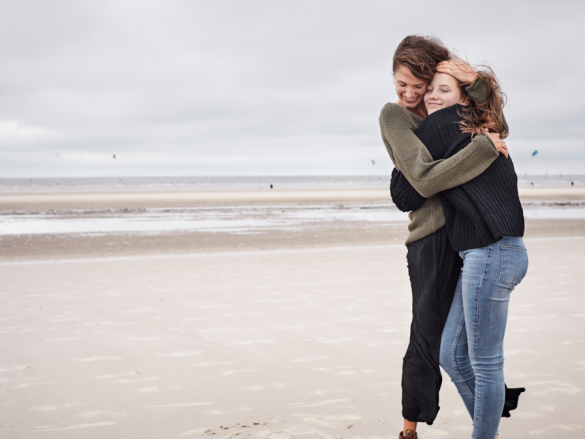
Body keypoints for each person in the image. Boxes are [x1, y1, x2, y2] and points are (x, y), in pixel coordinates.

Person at [378, 35, 511, 439]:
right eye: (402, 83)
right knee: (426, 332)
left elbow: (497, 125)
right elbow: (418, 180)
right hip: (431, 239)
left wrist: (475, 80)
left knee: (463, 347)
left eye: (418, 85)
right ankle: (408, 429)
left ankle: (492, 410)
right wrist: (481, 150)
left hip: (465, 235)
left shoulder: (447, 105)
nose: (410, 93)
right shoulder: (395, 116)